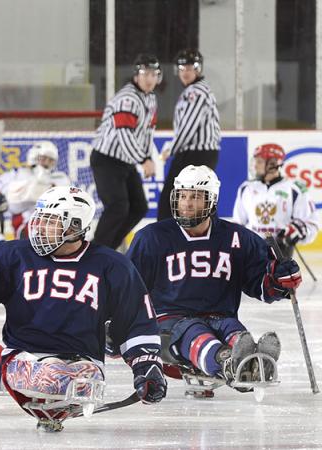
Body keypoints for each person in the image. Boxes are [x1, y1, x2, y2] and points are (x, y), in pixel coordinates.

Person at [0, 186, 166, 429]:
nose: (39, 228)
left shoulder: (113, 266)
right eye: (40, 220)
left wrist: (147, 366)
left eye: (50, 222)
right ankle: (16, 375)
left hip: (81, 363)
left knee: (59, 380)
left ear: (74, 227)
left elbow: (136, 321)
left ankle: (34, 380)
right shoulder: (16, 255)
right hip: (22, 358)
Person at [127, 165, 302, 388]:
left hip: (221, 316)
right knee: (195, 332)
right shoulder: (151, 238)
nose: (187, 203)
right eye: (182, 196)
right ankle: (229, 364)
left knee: (234, 330)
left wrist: (280, 279)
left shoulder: (238, 238)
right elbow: (129, 289)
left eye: (196, 197)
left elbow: (261, 285)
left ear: (211, 200)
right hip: (169, 324)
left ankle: (253, 362)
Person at [90, 54, 160, 251]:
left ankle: (108, 249)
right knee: (117, 207)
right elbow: (124, 134)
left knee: (139, 207)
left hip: (125, 161)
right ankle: (95, 254)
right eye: (145, 74)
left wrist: (147, 158)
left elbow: (147, 133)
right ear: (136, 75)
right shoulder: (127, 98)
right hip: (106, 159)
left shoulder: (150, 99)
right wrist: (143, 159)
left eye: (154, 74)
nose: (150, 79)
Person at [157, 49, 221, 221]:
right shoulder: (195, 90)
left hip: (196, 155)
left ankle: (162, 244)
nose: (185, 72)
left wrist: (171, 149)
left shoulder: (196, 92)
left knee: (171, 202)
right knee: (201, 201)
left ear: (198, 69)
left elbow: (188, 127)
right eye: (182, 68)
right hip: (198, 154)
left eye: (190, 68)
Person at [232, 143, 319, 258]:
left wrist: (299, 230)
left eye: (260, 162)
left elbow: (312, 223)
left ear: (273, 164)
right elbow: (238, 223)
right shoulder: (246, 188)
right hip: (251, 249)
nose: (255, 166)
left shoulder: (295, 189)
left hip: (281, 250)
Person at [0, 141, 71, 239]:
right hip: (27, 222)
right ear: (34, 157)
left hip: (52, 223)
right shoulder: (18, 174)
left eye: (50, 160)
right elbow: (12, 204)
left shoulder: (60, 178)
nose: (47, 163)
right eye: (44, 158)